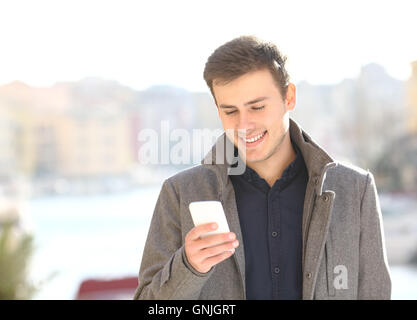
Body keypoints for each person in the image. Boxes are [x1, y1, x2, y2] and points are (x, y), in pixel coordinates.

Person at [134, 35, 391, 300]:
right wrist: (189, 267)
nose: (244, 125)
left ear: (289, 97)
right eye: (230, 111)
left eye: (257, 107)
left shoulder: (355, 189)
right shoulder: (180, 194)